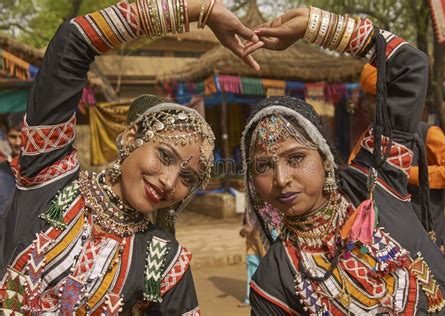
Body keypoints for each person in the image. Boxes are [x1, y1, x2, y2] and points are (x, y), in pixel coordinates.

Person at [0, 0, 261, 314]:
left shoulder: (165, 262)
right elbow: (71, 44)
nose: (168, 181)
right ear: (130, 138)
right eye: (164, 156)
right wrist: (199, 10)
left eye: (187, 178)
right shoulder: (48, 175)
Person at [241, 6, 445, 314]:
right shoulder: (273, 281)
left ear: (325, 158)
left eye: (296, 158)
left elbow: (408, 67)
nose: (281, 178)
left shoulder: (373, 180)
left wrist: (317, 26)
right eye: (263, 166)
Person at [350, 64, 445, 253]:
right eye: (369, 101)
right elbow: (353, 176)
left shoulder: (426, 133)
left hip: (427, 233)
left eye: (376, 101)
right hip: (388, 239)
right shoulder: (368, 139)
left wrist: (406, 173)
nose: (369, 107)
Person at [0, 113, 23, 216]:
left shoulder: (38, 167)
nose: (18, 142)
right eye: (13, 137)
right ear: (5, 135)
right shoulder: (3, 172)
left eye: (21, 137)